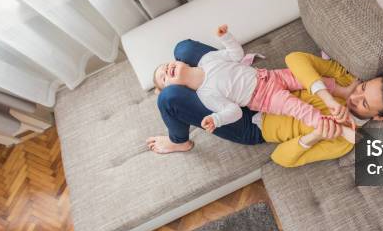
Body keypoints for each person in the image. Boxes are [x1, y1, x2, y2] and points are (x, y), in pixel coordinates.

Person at [147, 41, 383, 167]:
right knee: (183, 50)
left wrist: (315, 135)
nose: (355, 98)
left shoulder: (342, 137)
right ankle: (203, 80)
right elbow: (295, 59)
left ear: (379, 118)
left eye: (364, 103)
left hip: (251, 123)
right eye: (365, 87)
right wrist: (332, 93)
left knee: (170, 97)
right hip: (255, 85)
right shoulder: (346, 81)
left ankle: (179, 140)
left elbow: (280, 158)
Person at [152, 25, 355, 145]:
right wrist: (217, 119)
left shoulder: (208, 60)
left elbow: (235, 55)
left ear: (182, 62)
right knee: (299, 108)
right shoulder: (206, 95)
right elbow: (234, 112)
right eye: (164, 78)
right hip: (265, 98)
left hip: (269, 76)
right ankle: (337, 129)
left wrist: (225, 37)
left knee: (305, 79)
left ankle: (343, 91)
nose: (166, 70)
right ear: (176, 88)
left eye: (165, 66)